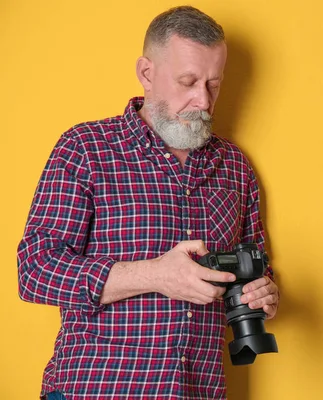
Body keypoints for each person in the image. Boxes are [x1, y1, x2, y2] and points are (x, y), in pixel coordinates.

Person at [17, 6, 279, 399]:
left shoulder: (235, 168)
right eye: (187, 82)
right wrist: (156, 275)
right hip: (95, 390)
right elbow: (35, 270)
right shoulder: (85, 149)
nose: (202, 101)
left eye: (213, 84)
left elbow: (257, 267)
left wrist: (267, 295)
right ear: (147, 74)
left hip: (198, 391)